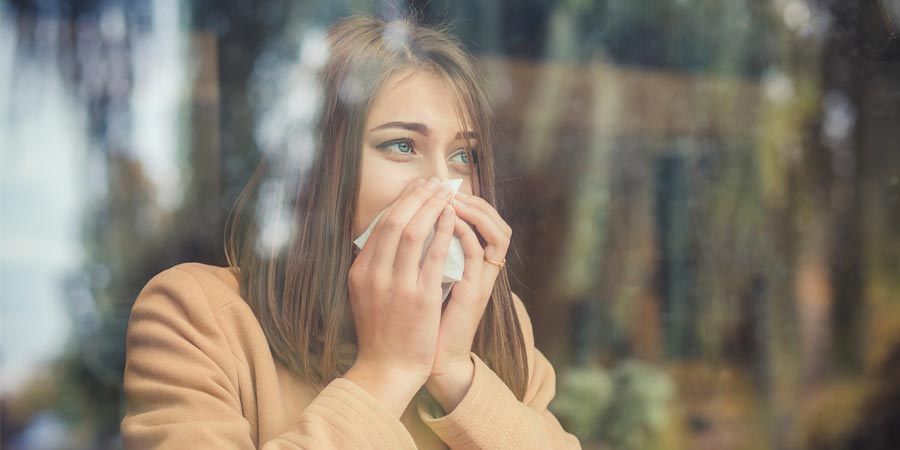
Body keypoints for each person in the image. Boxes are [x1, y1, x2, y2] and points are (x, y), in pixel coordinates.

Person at [120, 13, 582, 449]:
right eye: (402, 145)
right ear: (317, 169)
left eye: (464, 156)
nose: (446, 188)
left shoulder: (498, 324)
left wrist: (455, 371)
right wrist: (388, 370)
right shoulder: (197, 316)